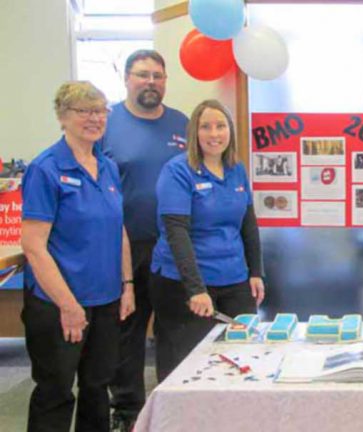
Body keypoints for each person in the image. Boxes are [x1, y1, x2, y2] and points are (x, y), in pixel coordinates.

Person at [20, 81, 135, 431]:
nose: (94, 118)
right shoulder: (46, 168)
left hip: (105, 300)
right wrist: (68, 305)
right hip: (58, 303)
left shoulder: (107, 166)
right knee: (55, 391)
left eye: (100, 111)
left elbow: (118, 229)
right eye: (84, 111)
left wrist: (127, 284)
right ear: (62, 117)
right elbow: (34, 246)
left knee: (97, 387)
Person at [100, 49, 189, 431]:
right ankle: (127, 411)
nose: (150, 82)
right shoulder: (106, 122)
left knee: (175, 329)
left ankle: (174, 405)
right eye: (142, 74)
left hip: (174, 245)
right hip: (124, 246)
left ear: (165, 81)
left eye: (157, 75)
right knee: (128, 331)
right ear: (127, 79)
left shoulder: (182, 123)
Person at [149, 99, 265, 382]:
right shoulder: (177, 171)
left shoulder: (236, 169)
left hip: (234, 278)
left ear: (230, 131)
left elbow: (248, 224)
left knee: (242, 358)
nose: (214, 134)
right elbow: (176, 232)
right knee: (188, 368)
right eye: (206, 127)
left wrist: (255, 272)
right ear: (194, 133)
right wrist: (195, 289)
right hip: (184, 283)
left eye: (221, 126)